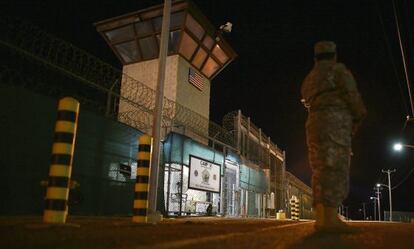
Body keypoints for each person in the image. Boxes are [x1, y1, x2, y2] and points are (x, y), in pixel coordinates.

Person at [301, 41, 367, 232]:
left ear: (316, 58)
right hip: (335, 123)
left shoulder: (310, 77)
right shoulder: (338, 71)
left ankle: (322, 217)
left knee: (320, 167)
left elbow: (305, 98)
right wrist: (358, 115)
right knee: (336, 167)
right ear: (334, 55)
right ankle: (330, 220)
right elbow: (352, 96)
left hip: (314, 124)